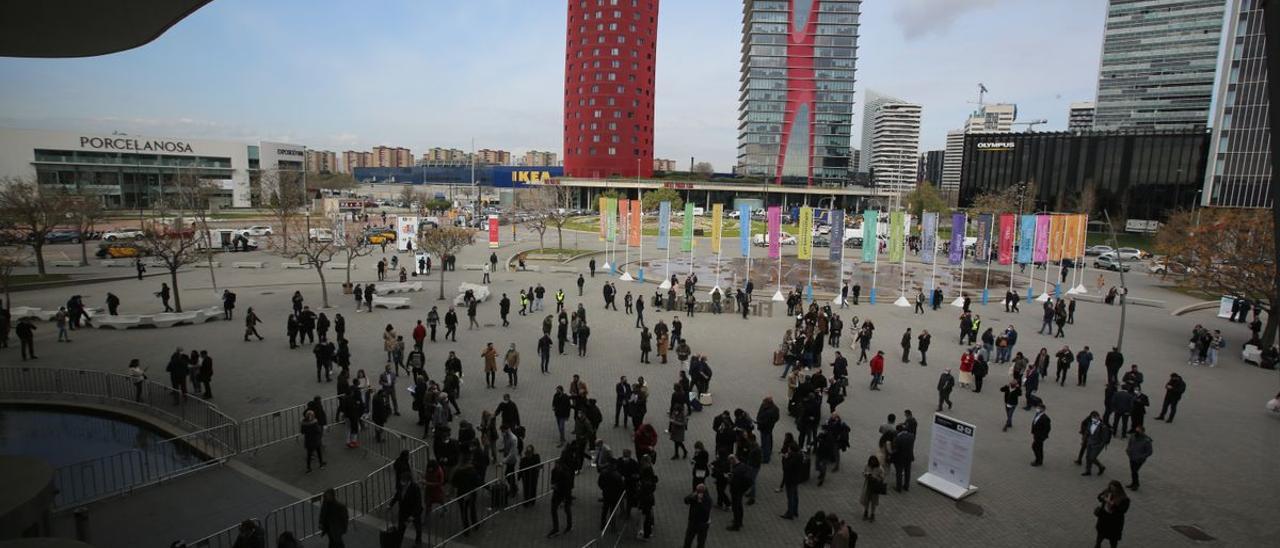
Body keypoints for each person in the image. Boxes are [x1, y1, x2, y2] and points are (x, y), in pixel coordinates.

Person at [1094, 481, 1130, 548]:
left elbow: (1123, 510)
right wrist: (1102, 497)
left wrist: (1113, 505)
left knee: (1113, 539)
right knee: (1100, 535)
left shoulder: (1124, 498)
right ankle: (1097, 545)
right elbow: (1099, 497)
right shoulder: (1107, 492)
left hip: (1114, 521)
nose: (1112, 490)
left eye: (1114, 488)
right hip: (1104, 518)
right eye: (1111, 487)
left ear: (1118, 488)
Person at [547, 458, 575, 538]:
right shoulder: (554, 471)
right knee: (553, 509)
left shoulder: (565, 474)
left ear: (561, 466)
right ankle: (556, 529)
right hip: (557, 493)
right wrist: (553, 485)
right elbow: (552, 480)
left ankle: (569, 526)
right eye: (556, 465)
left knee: (567, 509)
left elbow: (567, 487)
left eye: (557, 465)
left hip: (565, 494)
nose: (556, 466)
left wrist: (565, 499)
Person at [726, 455, 752, 531]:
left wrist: (729, 479)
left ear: (732, 460)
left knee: (736, 507)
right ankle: (739, 521)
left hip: (736, 491)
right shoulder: (743, 465)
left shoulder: (736, 471)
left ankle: (736, 525)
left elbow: (733, 482)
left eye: (730, 462)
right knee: (739, 506)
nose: (730, 464)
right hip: (741, 490)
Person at [682, 483, 713, 548]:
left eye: (698, 491)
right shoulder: (695, 496)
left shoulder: (708, 499)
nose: (697, 493)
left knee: (701, 541)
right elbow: (686, 500)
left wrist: (700, 502)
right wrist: (692, 496)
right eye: (697, 491)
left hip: (703, 523)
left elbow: (706, 511)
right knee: (688, 538)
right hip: (693, 521)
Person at [1125, 425, 1152, 490]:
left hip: (1139, 460)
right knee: (1133, 471)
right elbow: (1129, 444)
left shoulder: (1146, 440)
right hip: (1131, 457)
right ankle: (1133, 483)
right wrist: (1128, 450)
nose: (1136, 432)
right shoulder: (1133, 436)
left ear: (1142, 432)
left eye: (1138, 431)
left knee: (1134, 471)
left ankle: (1136, 485)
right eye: (1136, 430)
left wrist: (1141, 457)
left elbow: (1149, 452)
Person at [891, 424, 915, 492]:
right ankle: (906, 486)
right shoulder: (911, 436)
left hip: (900, 458)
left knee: (899, 472)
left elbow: (896, 449)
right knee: (907, 472)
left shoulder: (898, 438)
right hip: (909, 457)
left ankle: (898, 488)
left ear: (898, 430)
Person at [860, 455, 884, 522]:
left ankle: (872, 514)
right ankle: (866, 512)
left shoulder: (879, 468)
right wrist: (866, 475)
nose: (872, 462)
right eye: (871, 461)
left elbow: (882, 477)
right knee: (866, 499)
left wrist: (876, 478)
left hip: (875, 486)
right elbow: (863, 472)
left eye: (874, 461)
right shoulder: (867, 465)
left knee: (873, 501)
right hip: (868, 485)